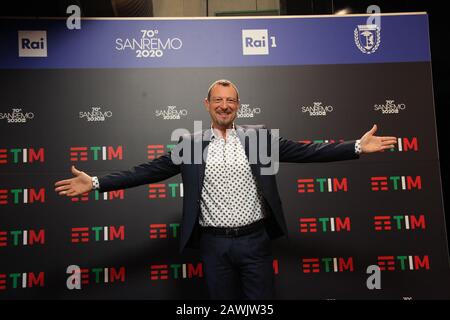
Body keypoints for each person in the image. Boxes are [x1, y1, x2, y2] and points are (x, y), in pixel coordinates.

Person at [55, 79, 397, 300]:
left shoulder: (259, 138)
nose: (224, 105)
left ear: (238, 106)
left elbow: (307, 152)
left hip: (255, 241)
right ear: (206, 105)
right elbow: (147, 172)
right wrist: (97, 182)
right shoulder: (189, 144)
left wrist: (355, 147)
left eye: (230, 101)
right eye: (217, 100)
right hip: (213, 244)